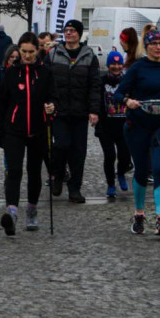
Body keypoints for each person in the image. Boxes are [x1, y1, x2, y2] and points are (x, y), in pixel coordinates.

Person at [114, 28, 160, 235]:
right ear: (147, 46)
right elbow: (118, 94)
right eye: (153, 44)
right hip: (139, 125)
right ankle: (139, 213)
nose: (158, 47)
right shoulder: (138, 68)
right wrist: (129, 101)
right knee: (142, 170)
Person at [0, 32, 56, 234]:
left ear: (38, 51)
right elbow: (1, 101)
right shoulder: (11, 73)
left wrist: (52, 107)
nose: (27, 55)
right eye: (24, 51)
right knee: (14, 170)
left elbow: (53, 97)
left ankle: (32, 209)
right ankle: (12, 212)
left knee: (34, 172)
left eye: (31, 52)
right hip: (14, 129)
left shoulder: (45, 72)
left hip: (38, 129)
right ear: (18, 50)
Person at [48, 19, 101, 203]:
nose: (69, 33)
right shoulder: (54, 54)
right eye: (66, 30)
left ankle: (74, 189)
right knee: (61, 145)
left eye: (72, 31)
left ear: (79, 33)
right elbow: (46, 81)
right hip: (59, 111)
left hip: (80, 112)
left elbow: (94, 85)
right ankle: (58, 175)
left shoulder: (88, 56)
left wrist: (94, 110)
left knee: (78, 152)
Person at [96, 51, 130, 201]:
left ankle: (121, 173)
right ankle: (111, 184)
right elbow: (95, 99)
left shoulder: (128, 81)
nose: (116, 67)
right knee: (109, 156)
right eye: (113, 64)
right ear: (108, 65)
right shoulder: (101, 81)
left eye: (119, 64)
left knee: (125, 156)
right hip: (106, 125)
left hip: (124, 126)